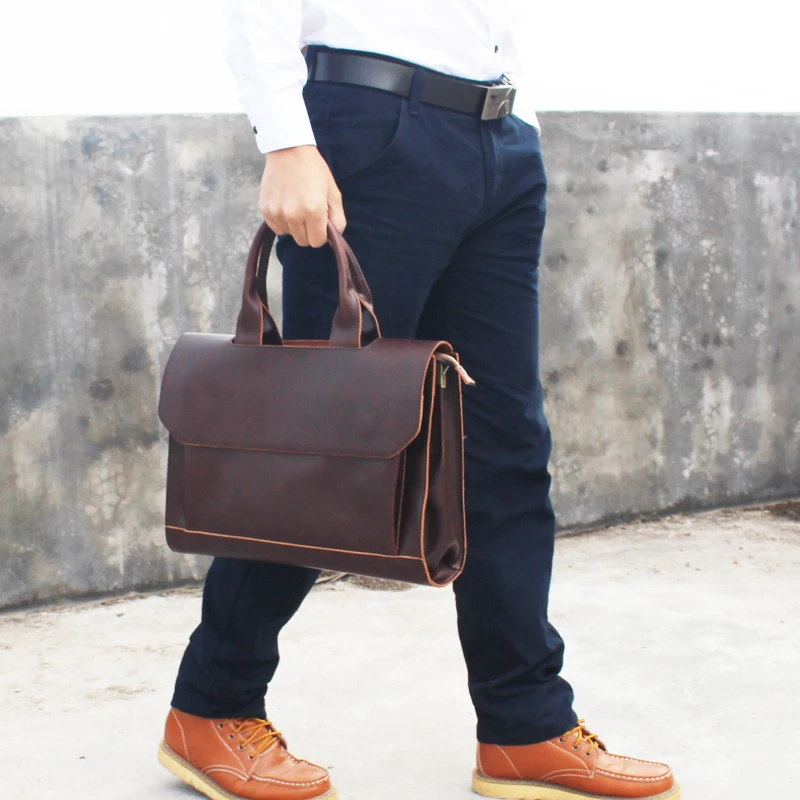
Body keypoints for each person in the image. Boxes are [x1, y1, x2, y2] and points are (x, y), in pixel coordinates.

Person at [157, 3, 680, 800]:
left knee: (505, 449)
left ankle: (524, 725)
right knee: (319, 448)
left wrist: (517, 122)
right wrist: (286, 139)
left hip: (500, 141)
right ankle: (212, 704)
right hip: (374, 130)